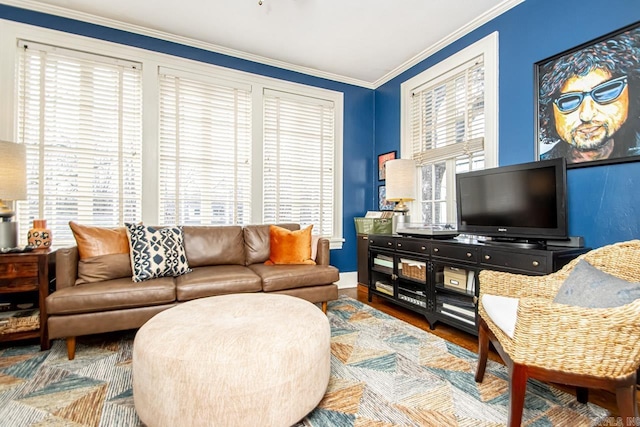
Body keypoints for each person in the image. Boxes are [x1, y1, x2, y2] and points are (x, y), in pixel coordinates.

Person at [538, 26, 640, 164]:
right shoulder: (543, 165)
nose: (586, 115)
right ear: (549, 114)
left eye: (606, 92)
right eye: (569, 101)